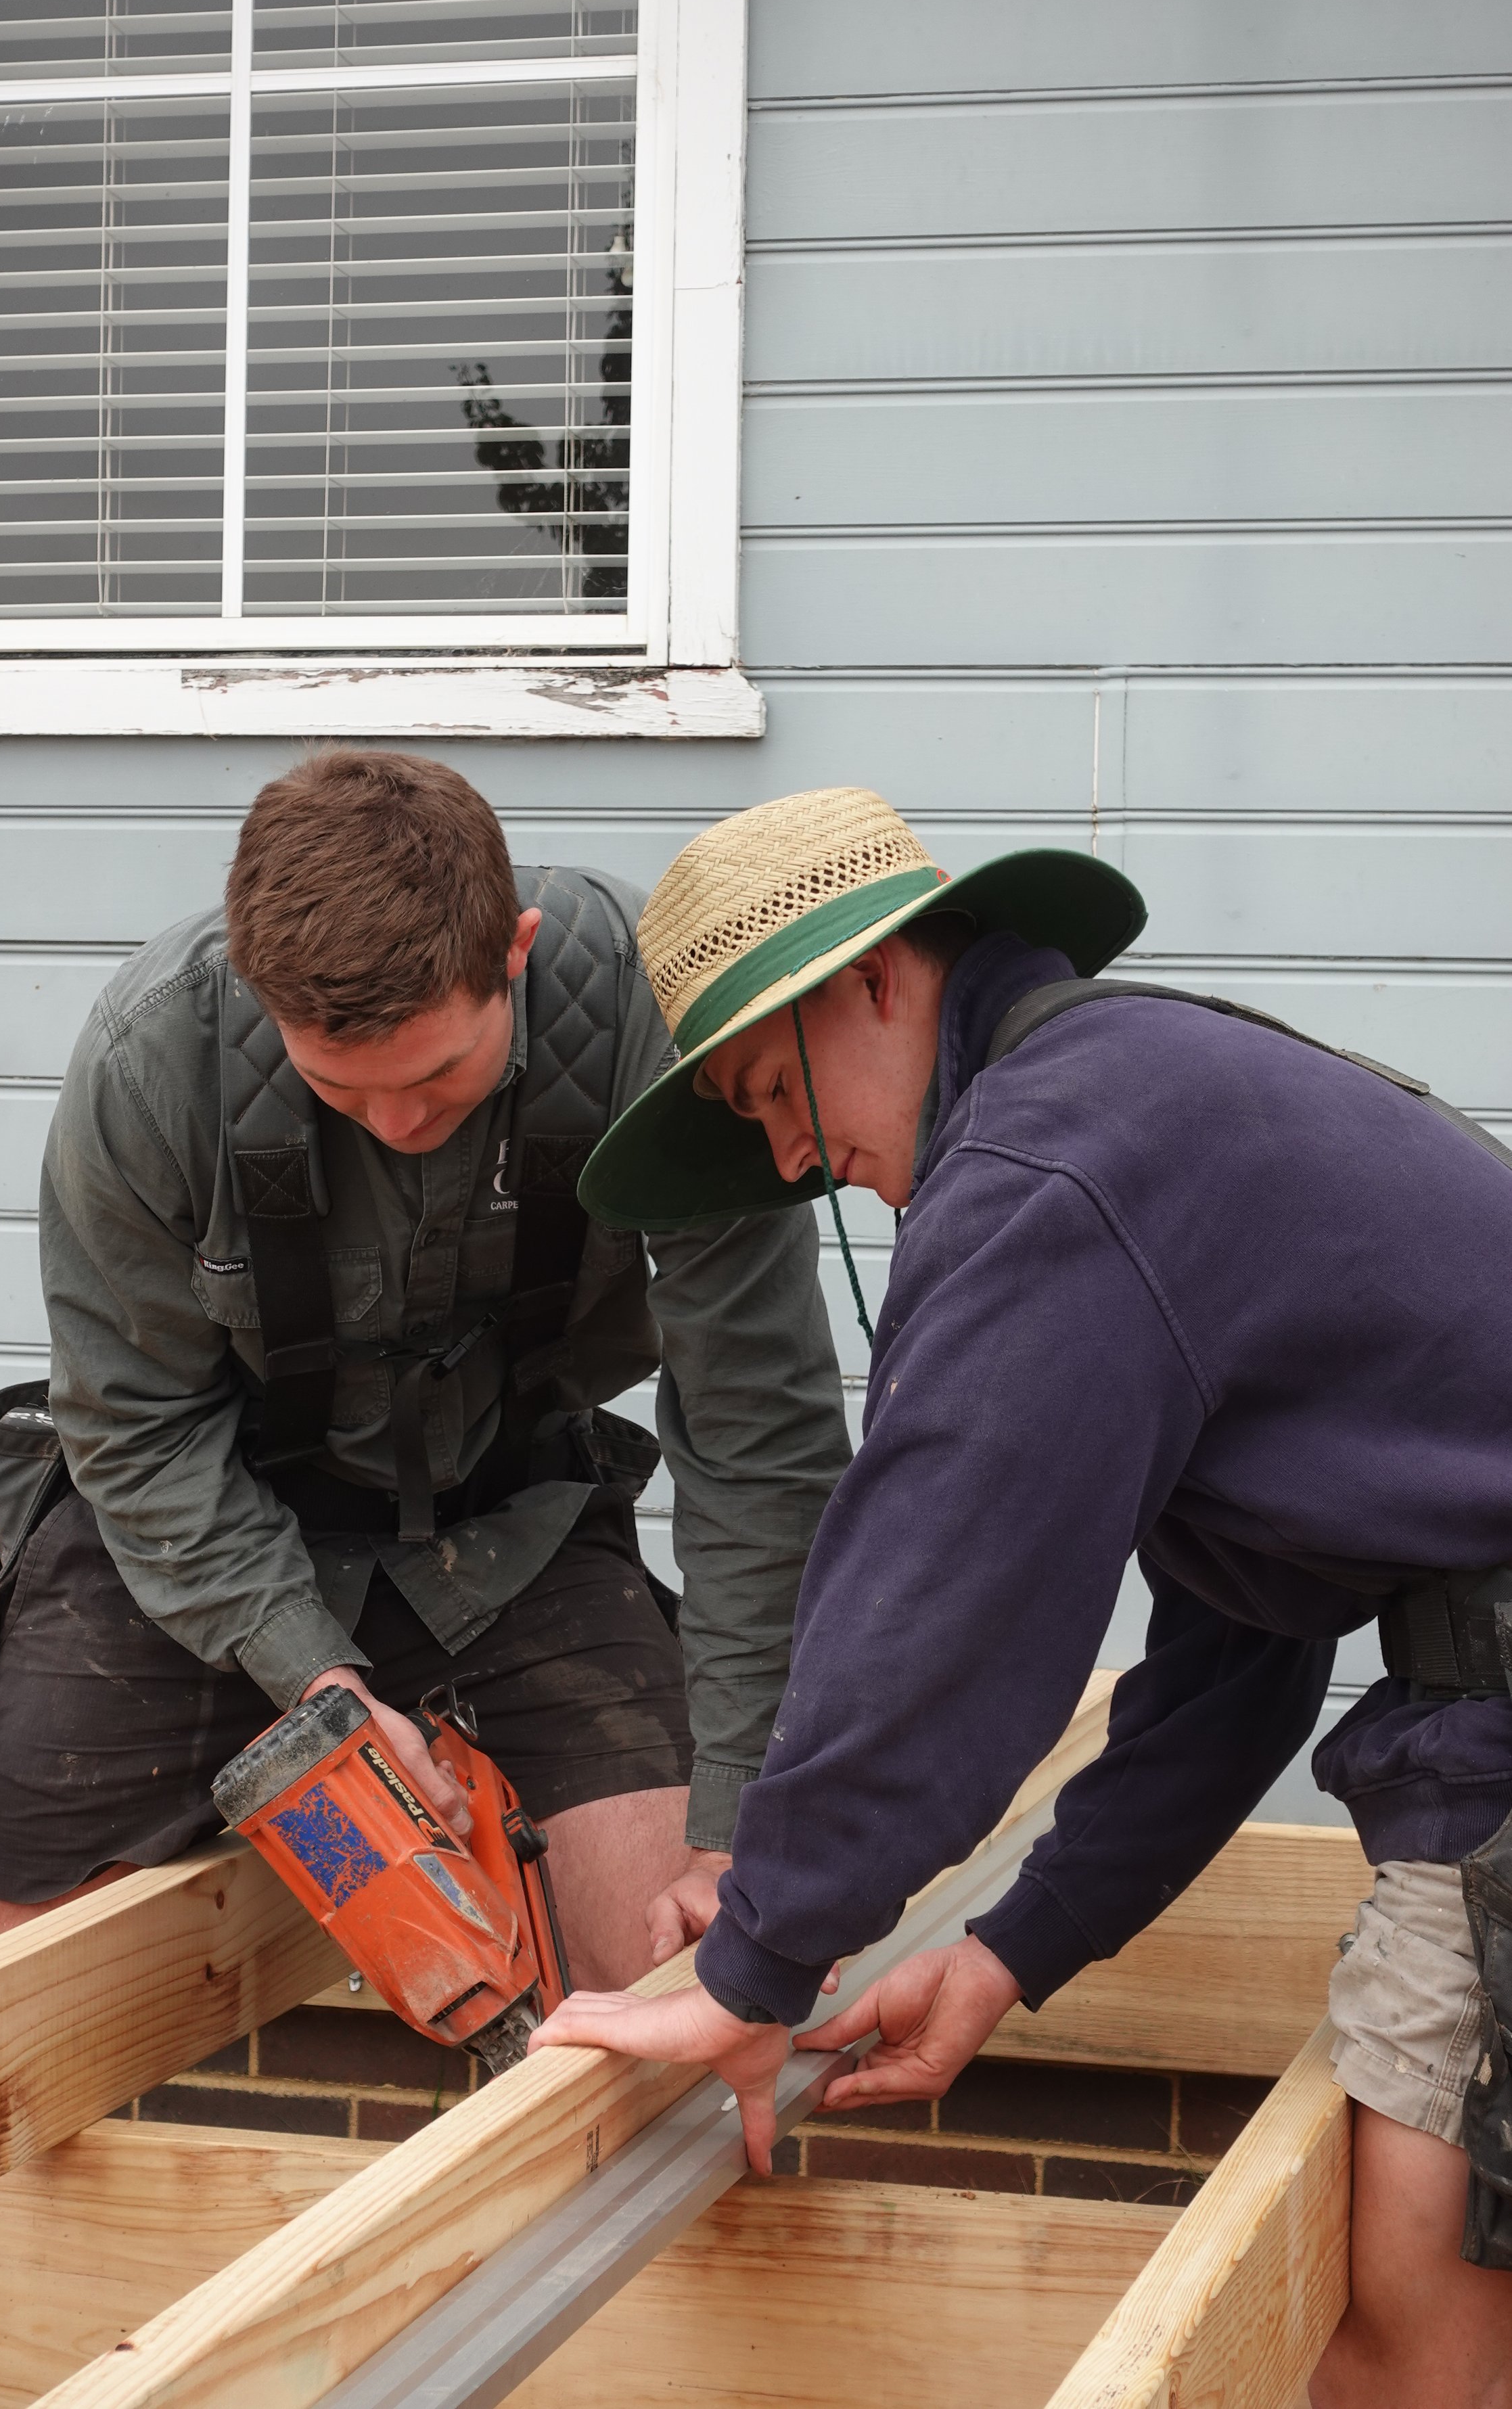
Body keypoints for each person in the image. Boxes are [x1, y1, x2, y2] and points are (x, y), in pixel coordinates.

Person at [533, 784, 1512, 2408]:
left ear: (877, 977)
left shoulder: (1046, 1165)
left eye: (775, 1091)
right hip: (1473, 1698)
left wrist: (750, 1966)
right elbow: (1243, 1649)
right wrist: (1000, 1954)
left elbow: (941, 1598)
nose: (790, 1157)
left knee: (1408, 2331)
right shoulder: (1130, 1097)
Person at [0, 753, 850, 1994]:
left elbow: (761, 1437)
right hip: (191, 1542)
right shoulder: (149, 1060)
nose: (399, 1124)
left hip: (505, 1527)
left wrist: (739, 1809)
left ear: (516, 951)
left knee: (671, 1952)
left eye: (437, 1075)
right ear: (264, 1002)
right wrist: (320, 1686)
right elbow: (141, 1432)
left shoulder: (660, 1035)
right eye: (339, 1086)